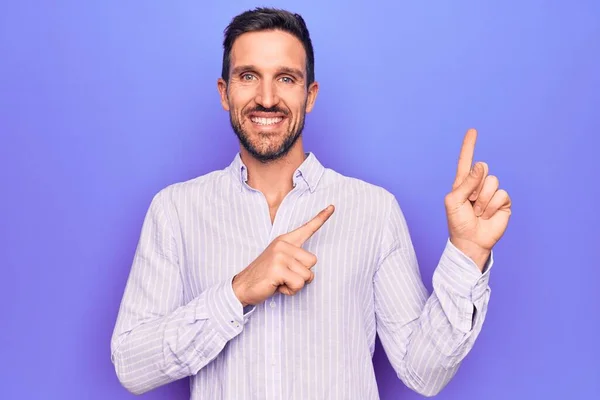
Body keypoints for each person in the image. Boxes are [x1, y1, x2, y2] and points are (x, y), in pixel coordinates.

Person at [110, 7, 511, 399]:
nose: (267, 98)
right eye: (248, 76)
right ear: (224, 92)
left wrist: (468, 253)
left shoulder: (373, 210)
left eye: (286, 78)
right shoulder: (175, 211)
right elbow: (131, 364)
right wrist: (237, 293)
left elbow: (424, 372)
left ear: (310, 94)